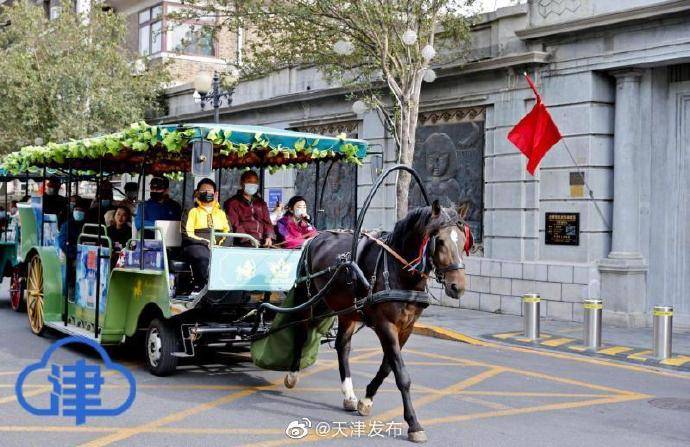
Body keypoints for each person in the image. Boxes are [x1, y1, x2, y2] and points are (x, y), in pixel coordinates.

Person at [182, 179, 230, 292]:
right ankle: (203, 288)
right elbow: (186, 233)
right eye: (203, 191)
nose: (206, 193)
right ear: (197, 193)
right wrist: (205, 242)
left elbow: (228, 232)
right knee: (203, 257)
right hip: (196, 245)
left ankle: (227, 291)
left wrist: (221, 245)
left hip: (218, 246)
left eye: (209, 191)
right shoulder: (191, 210)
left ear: (215, 193)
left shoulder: (221, 213)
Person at [224, 170, 274, 247]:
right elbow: (235, 225)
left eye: (255, 182)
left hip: (263, 241)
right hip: (243, 243)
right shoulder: (232, 203)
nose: (252, 184)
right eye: (249, 181)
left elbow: (267, 222)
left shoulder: (261, 203)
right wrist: (248, 239)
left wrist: (269, 237)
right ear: (242, 183)